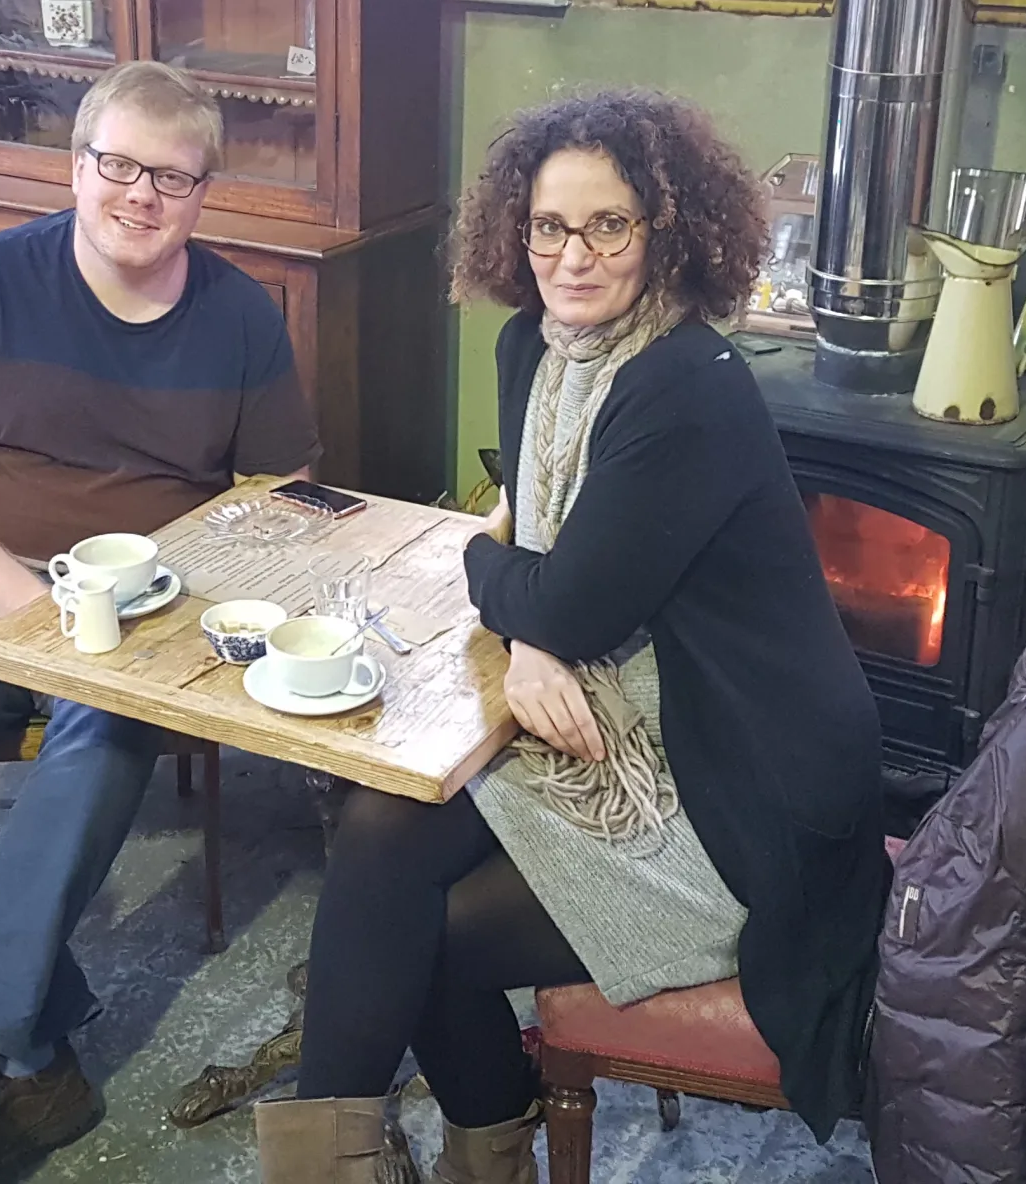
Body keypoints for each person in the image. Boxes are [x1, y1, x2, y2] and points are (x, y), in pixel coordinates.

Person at [255, 91, 889, 1183]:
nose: (575, 256)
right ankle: (359, 1163)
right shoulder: (530, 353)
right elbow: (542, 555)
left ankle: (463, 1158)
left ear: (665, 231)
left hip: (745, 797)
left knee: (423, 936)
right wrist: (534, 625)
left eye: (610, 225)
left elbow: (548, 586)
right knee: (379, 831)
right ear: (519, 228)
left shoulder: (685, 383)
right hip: (629, 715)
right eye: (551, 225)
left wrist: (495, 581)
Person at [0, 60, 320, 1184]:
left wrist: (169, 593)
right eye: (118, 165)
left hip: (150, 594)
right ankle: (34, 1044)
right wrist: (32, 609)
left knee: (102, 738)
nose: (140, 195)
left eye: (172, 176)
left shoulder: (243, 316)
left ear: (203, 193)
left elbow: (278, 504)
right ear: (77, 166)